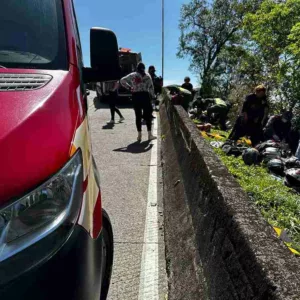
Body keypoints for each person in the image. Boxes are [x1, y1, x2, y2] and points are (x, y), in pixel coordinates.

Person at [120, 62, 156, 142]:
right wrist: (153, 97)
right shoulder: (147, 75)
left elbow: (122, 80)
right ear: (144, 68)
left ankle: (139, 135)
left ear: (137, 68)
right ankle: (149, 135)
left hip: (136, 96)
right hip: (145, 96)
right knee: (147, 116)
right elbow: (151, 87)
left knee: (138, 116)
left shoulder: (133, 75)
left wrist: (129, 88)